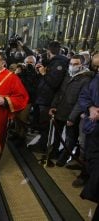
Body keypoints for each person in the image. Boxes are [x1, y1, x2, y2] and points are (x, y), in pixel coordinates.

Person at [78, 54, 99, 220]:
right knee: (91, 159)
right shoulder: (95, 79)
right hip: (93, 129)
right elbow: (84, 95)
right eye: (96, 67)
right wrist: (90, 107)